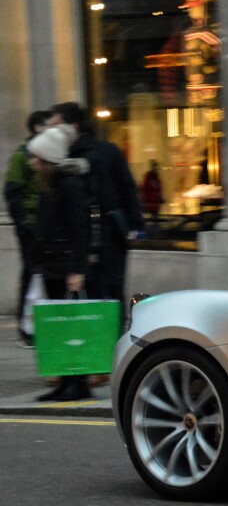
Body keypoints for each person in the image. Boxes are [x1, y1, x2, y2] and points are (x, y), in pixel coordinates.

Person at [46, 101, 144, 310]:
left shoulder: (88, 156)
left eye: (55, 126)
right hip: (107, 234)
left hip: (103, 234)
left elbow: (127, 188)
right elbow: (128, 187)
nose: (51, 133)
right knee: (108, 292)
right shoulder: (102, 151)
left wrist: (135, 224)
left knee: (103, 291)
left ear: (72, 127)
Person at [26, 125, 94, 402]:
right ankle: (66, 382)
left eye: (37, 159)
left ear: (49, 161)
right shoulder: (51, 186)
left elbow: (81, 229)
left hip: (66, 266)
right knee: (59, 328)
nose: (33, 163)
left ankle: (79, 383)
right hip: (53, 265)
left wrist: (77, 269)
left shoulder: (70, 186)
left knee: (71, 328)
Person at [4, 109, 52, 347]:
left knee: (39, 274)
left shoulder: (45, 154)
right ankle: (27, 328)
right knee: (31, 273)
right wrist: (23, 224)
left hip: (42, 224)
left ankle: (38, 325)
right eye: (47, 126)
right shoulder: (22, 156)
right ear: (37, 128)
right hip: (31, 226)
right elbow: (12, 192)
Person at [141, 159, 163, 232]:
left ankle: (154, 230)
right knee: (154, 217)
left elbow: (159, 189)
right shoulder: (150, 177)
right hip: (151, 201)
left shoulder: (156, 177)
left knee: (155, 217)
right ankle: (153, 231)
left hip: (155, 201)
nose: (156, 168)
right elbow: (145, 189)